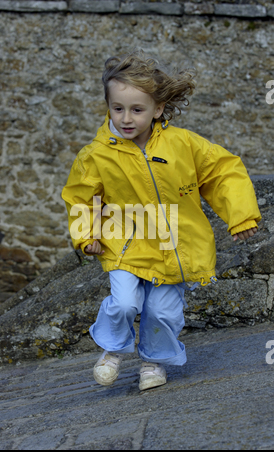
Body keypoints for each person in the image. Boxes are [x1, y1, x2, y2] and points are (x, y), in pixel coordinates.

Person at [61, 50, 261, 391]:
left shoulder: (183, 144)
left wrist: (240, 215)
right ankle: (112, 350)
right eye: (117, 108)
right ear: (107, 106)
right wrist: (86, 234)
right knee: (125, 303)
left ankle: (153, 361)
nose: (126, 118)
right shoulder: (95, 154)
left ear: (158, 109)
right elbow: (81, 196)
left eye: (137, 110)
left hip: (175, 246)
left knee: (163, 312)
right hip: (125, 244)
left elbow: (222, 171)